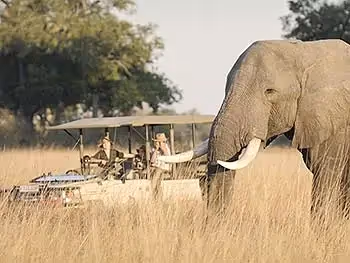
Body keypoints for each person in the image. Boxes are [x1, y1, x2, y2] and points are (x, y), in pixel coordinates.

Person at [149, 133, 171, 200]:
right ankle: (156, 197)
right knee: (158, 185)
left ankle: (152, 189)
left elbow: (168, 157)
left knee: (157, 175)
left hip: (162, 168)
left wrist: (163, 148)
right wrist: (156, 149)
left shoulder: (166, 147)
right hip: (155, 167)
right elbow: (152, 160)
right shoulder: (154, 149)